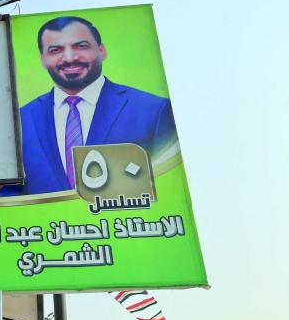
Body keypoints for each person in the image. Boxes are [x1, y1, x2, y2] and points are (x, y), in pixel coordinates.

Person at [12, 16, 177, 195]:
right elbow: (10, 198)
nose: (69, 58)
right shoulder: (21, 121)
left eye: (81, 46)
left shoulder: (153, 110)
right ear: (43, 59)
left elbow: (169, 185)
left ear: (102, 50)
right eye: (55, 50)